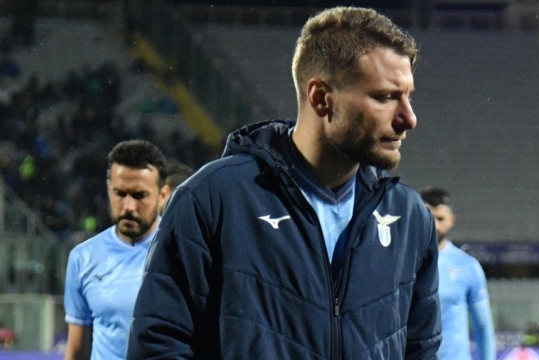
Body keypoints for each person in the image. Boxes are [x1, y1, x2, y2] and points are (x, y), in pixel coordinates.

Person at [127, 6, 441, 359]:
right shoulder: (214, 200)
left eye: (408, 96)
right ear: (321, 97)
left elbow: (421, 350)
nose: (408, 118)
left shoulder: (410, 217)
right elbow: (158, 347)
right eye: (385, 97)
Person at [63, 140, 169, 360]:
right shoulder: (83, 258)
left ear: (163, 195)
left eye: (140, 195)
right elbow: (76, 347)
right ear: (108, 189)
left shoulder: (183, 253)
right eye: (120, 194)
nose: (129, 206)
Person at [420, 187, 496, 360]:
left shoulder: (468, 266)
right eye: (429, 217)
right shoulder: (401, 263)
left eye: (440, 219)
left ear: (451, 221)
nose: (434, 225)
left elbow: (483, 326)